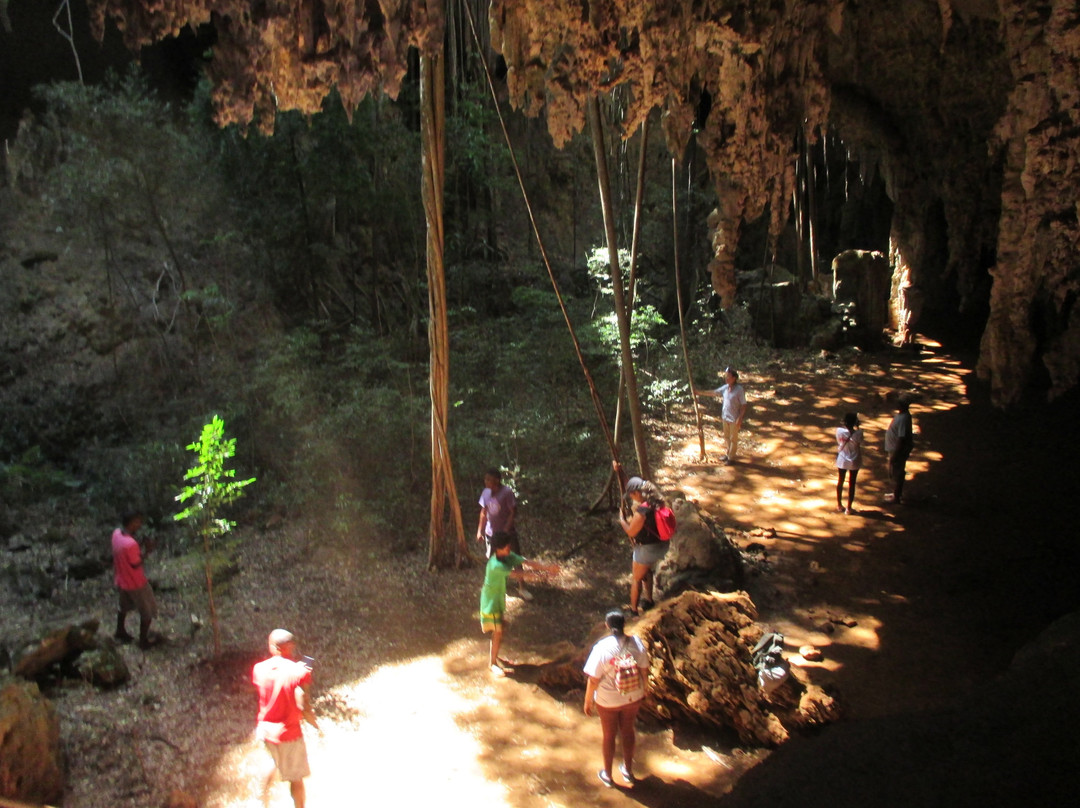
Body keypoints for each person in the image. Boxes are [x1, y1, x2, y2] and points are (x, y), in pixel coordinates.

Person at [583, 609, 649, 789]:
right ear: (623, 625)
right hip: (633, 696)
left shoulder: (602, 648)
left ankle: (608, 775)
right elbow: (644, 670)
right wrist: (645, 690)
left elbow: (593, 679)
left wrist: (587, 701)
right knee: (628, 731)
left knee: (609, 736)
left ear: (607, 626)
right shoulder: (636, 642)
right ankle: (628, 771)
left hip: (608, 700)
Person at [252, 629, 317, 808]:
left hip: (266, 730)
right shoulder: (298, 671)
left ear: (273, 647)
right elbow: (303, 701)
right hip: (290, 733)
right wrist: (313, 722)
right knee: (296, 779)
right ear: (291, 647)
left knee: (269, 764)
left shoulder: (258, 669)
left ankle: (260, 803)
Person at [479, 531, 558, 676]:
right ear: (498, 548)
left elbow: (527, 562)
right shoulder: (495, 565)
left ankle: (494, 656)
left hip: (497, 599)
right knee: (498, 632)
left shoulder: (507, 556)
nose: (509, 547)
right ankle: (492, 663)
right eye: (506, 546)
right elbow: (520, 575)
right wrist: (546, 575)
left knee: (499, 631)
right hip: (490, 602)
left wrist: (547, 568)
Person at [614, 464, 669, 616]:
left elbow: (631, 531)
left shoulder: (642, 512)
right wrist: (620, 471)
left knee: (636, 578)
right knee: (646, 571)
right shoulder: (655, 497)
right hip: (662, 543)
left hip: (648, 548)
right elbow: (630, 486)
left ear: (637, 493)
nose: (630, 497)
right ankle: (649, 600)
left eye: (632, 495)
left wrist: (622, 520)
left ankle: (633, 611)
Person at [476, 467, 530, 600]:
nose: (486, 481)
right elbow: (483, 512)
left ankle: (522, 587)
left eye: (489, 479)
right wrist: (480, 531)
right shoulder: (486, 493)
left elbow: (513, 511)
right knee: (493, 561)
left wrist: (506, 529)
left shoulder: (507, 492)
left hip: (507, 534)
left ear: (497, 480)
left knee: (515, 559)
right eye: (485, 479)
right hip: (491, 533)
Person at [111, 511, 160, 649]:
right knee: (148, 611)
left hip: (122, 580)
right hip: (136, 582)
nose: (140, 524)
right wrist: (148, 551)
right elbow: (136, 563)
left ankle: (120, 631)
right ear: (131, 523)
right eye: (138, 521)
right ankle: (143, 641)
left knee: (124, 606)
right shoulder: (131, 544)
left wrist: (140, 544)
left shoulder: (116, 534)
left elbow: (125, 553)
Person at [693, 367, 747, 463]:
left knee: (733, 439)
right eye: (726, 376)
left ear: (734, 378)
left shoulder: (739, 390)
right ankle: (728, 454)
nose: (726, 378)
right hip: (725, 417)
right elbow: (714, 392)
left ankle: (731, 458)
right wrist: (700, 392)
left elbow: (743, 405)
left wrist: (740, 418)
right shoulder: (725, 388)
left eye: (728, 376)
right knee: (726, 437)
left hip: (734, 418)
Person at [884, 398, 915, 504]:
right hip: (894, 448)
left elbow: (901, 438)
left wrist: (896, 454)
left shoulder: (903, 418)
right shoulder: (903, 415)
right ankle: (896, 494)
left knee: (897, 473)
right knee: (896, 472)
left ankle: (896, 497)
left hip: (897, 449)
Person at [835, 412, 863, 514]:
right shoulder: (859, 433)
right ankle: (849, 508)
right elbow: (860, 442)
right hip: (854, 460)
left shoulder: (839, 431)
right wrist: (858, 427)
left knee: (840, 481)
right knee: (852, 483)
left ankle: (839, 504)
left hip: (842, 459)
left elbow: (839, 442)